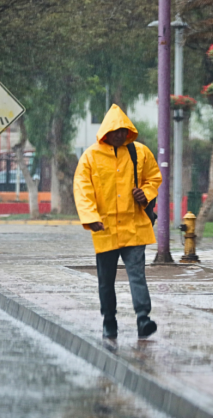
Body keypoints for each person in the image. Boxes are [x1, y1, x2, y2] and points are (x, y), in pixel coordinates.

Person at [73, 104, 162, 344]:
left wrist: (146, 192)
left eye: (124, 130)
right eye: (116, 131)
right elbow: (83, 190)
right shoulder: (91, 157)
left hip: (135, 227)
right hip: (106, 230)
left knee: (137, 275)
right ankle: (109, 320)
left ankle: (143, 318)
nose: (121, 135)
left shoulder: (140, 152)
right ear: (106, 132)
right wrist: (91, 218)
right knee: (106, 279)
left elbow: (154, 177)